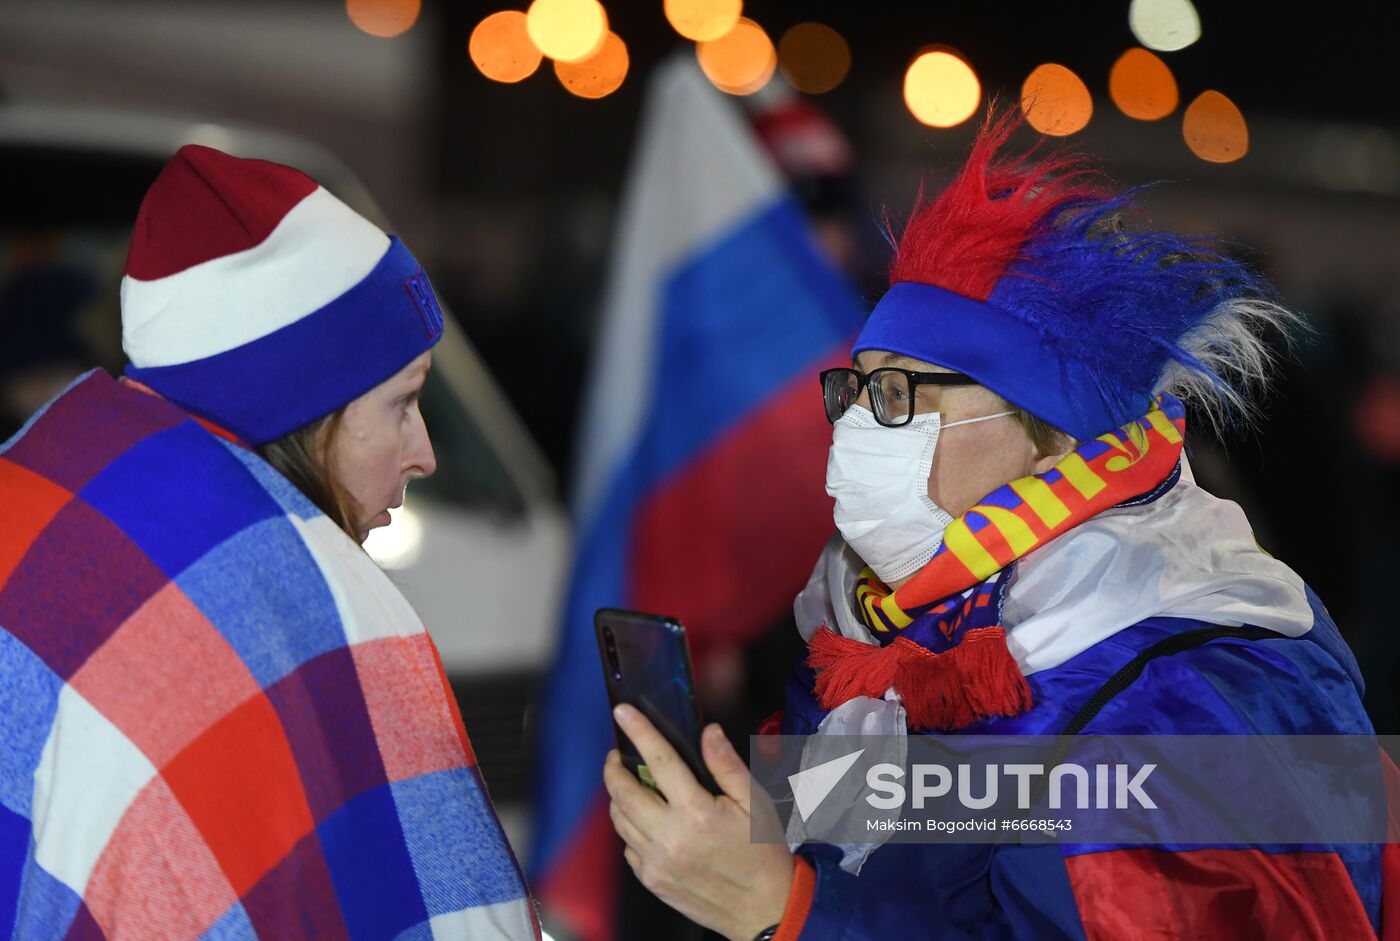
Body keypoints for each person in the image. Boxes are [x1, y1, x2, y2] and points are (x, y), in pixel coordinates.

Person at [602, 115, 1389, 939]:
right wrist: (725, 855)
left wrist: (785, 912)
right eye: (859, 391)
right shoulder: (878, 635)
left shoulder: (1187, 698)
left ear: (1049, 432)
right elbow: (866, 877)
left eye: (903, 394)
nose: (862, 427)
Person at [0, 145, 539, 938]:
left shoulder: (53, 515)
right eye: (403, 402)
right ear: (302, 407)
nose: (425, 452)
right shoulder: (268, 632)